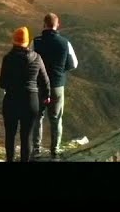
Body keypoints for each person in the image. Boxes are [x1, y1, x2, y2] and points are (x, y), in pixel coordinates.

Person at [0, 26, 50, 162]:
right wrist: (46, 96)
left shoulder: (8, 58)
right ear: (28, 41)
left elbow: (2, 83)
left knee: (10, 135)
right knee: (26, 136)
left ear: (14, 41)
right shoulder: (37, 58)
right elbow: (45, 81)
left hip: (11, 101)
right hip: (31, 100)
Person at [32, 12, 79, 158]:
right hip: (57, 85)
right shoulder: (65, 43)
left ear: (44, 24)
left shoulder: (36, 42)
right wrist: (60, 71)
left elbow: (29, 61)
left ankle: (37, 149)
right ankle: (55, 150)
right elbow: (74, 64)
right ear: (57, 25)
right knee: (56, 118)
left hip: (39, 85)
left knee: (37, 117)